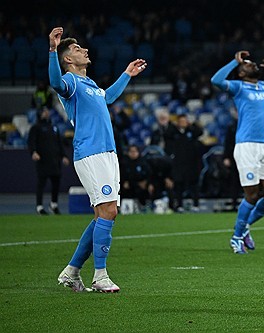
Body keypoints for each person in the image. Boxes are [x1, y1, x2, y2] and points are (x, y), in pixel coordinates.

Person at [48, 26, 147, 293]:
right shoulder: (70, 81)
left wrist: (127, 74)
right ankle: (100, 275)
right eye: (78, 49)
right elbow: (55, 83)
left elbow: (108, 97)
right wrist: (52, 50)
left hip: (108, 152)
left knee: (104, 215)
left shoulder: (90, 84)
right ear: (68, 59)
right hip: (90, 153)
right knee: (109, 211)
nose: (85, 50)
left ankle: (71, 271)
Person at [211, 50, 264, 254]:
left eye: (252, 63)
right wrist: (233, 62)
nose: (252, 64)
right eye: (247, 64)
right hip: (246, 146)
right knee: (252, 195)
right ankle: (236, 237)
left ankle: (244, 227)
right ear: (241, 73)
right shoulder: (238, 87)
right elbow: (216, 80)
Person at [27, 106, 70, 215]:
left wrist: (64, 156)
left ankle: (53, 204)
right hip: (43, 160)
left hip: (55, 160)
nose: (47, 113)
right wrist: (33, 152)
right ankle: (39, 206)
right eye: (45, 111)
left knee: (56, 182)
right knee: (41, 183)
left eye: (47, 111)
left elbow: (59, 143)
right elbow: (31, 141)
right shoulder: (35, 127)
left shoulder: (53, 127)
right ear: (40, 113)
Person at [165, 114, 203, 212]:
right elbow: (166, 134)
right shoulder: (174, 133)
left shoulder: (191, 131)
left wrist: (192, 124)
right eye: (180, 121)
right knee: (179, 185)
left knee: (194, 184)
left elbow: (199, 132)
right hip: (179, 163)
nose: (183, 123)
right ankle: (179, 205)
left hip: (192, 163)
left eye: (184, 121)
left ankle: (196, 204)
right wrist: (171, 124)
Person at [120, 145, 151, 211]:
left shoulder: (143, 162)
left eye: (135, 151)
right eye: (131, 151)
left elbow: (149, 174)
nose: (133, 153)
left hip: (141, 186)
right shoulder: (124, 163)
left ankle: (145, 207)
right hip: (130, 185)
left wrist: (146, 182)